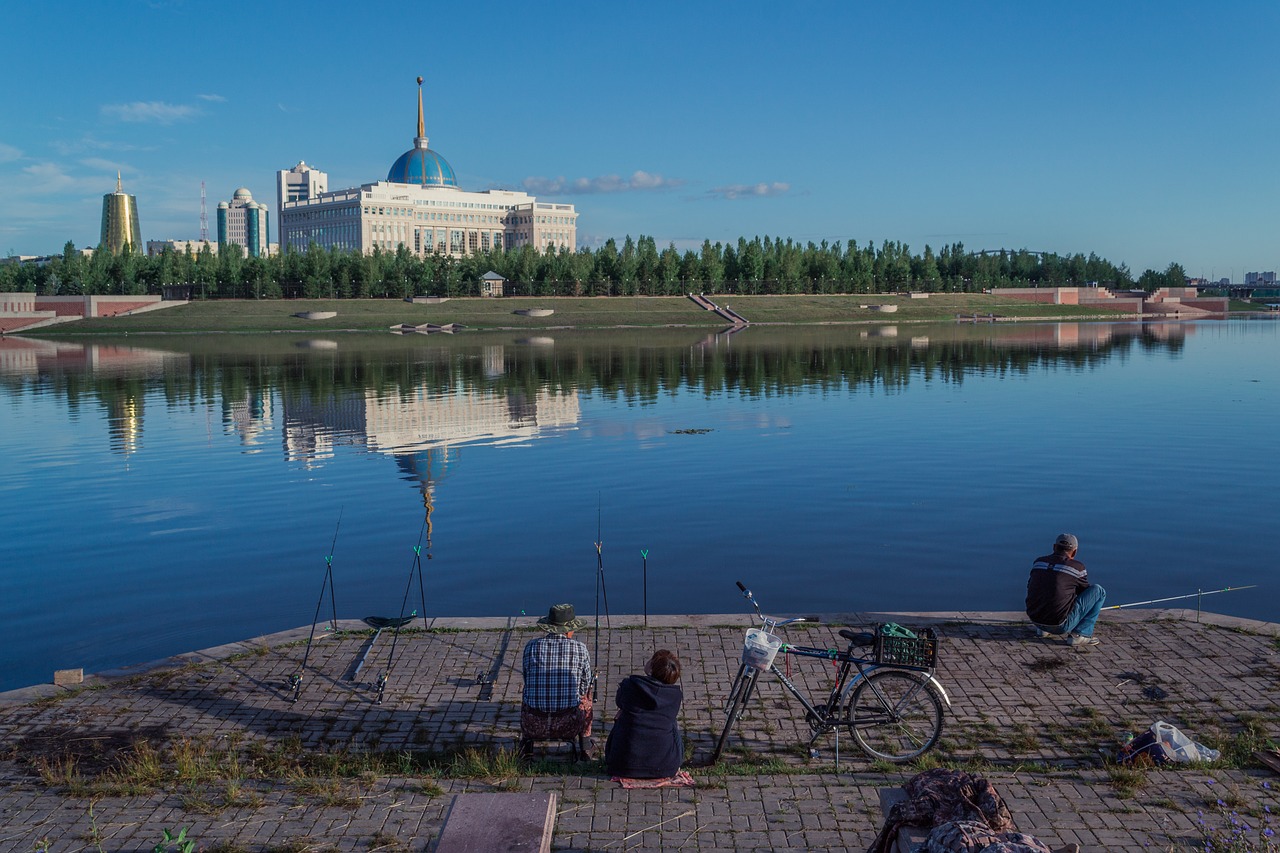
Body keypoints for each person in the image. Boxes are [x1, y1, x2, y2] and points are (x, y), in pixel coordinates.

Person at [520, 603, 595, 756]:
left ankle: (526, 745)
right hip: (569, 725)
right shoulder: (580, 648)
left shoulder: (531, 646)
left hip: (533, 725)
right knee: (587, 698)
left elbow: (527, 679)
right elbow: (584, 686)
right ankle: (585, 744)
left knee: (526, 694)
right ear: (569, 630)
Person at [604, 649, 684, 778]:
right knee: (671, 722)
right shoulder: (675, 696)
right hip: (665, 767)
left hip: (622, 766)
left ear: (651, 667)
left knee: (622, 714)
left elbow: (620, 702)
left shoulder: (629, 685)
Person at [1026, 533, 1107, 647]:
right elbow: (1085, 592)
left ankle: (1043, 629)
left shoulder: (1038, 562)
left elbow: (1030, 586)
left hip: (1035, 619)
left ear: (1054, 547)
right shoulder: (1077, 567)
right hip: (1060, 625)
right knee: (1098, 591)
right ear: (1074, 552)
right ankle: (1080, 634)